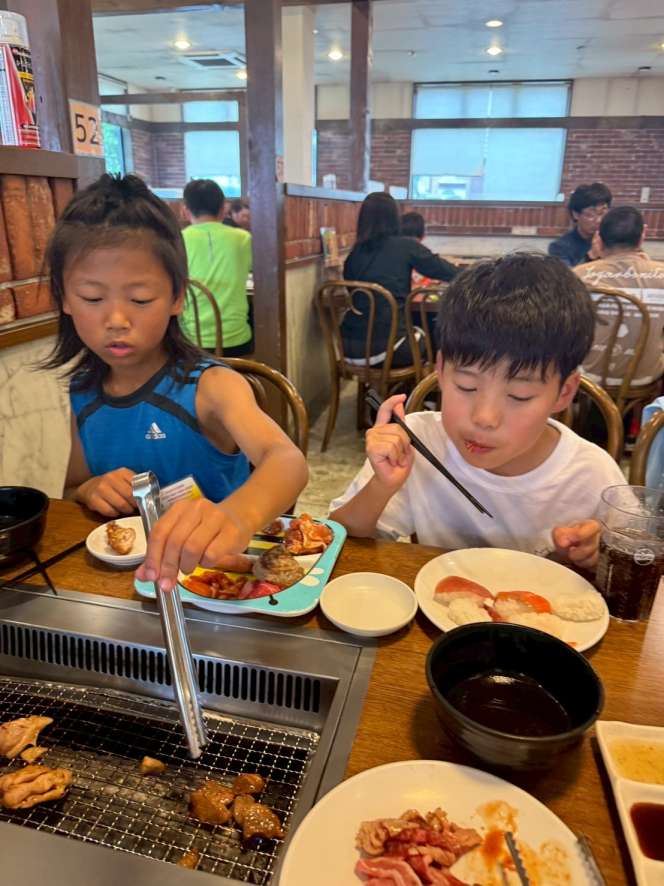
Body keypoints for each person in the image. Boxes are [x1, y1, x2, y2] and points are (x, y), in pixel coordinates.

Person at [44, 174, 308, 592]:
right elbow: (73, 485)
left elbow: (287, 461)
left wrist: (234, 517)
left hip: (217, 581)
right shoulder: (82, 391)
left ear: (177, 297)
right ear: (64, 298)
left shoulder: (211, 386)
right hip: (126, 585)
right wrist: (92, 488)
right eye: (92, 298)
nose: (116, 320)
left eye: (140, 299)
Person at [330, 253, 625, 567]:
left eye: (520, 396)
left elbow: (631, 566)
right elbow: (337, 543)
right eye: (466, 387)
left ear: (564, 392)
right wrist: (382, 486)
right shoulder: (417, 441)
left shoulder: (591, 476)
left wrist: (597, 557)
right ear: (441, 369)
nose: (484, 418)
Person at [342, 192, 458, 367]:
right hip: (388, 349)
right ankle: (422, 385)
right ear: (394, 218)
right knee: (431, 338)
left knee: (409, 330)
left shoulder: (354, 254)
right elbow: (446, 271)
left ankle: (381, 386)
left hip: (348, 349)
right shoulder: (405, 246)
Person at [575, 206, 664, 388]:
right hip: (645, 378)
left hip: (587, 377)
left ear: (599, 238)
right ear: (642, 236)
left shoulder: (578, 275)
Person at [180, 180, 253, 357]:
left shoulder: (178, 240)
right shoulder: (243, 238)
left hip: (192, 342)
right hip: (237, 341)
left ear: (185, 211)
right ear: (223, 209)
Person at [548, 182, 612, 267]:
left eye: (602, 213)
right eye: (591, 214)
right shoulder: (560, 247)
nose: (598, 220)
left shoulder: (614, 239)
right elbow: (566, 275)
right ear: (576, 214)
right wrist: (590, 256)